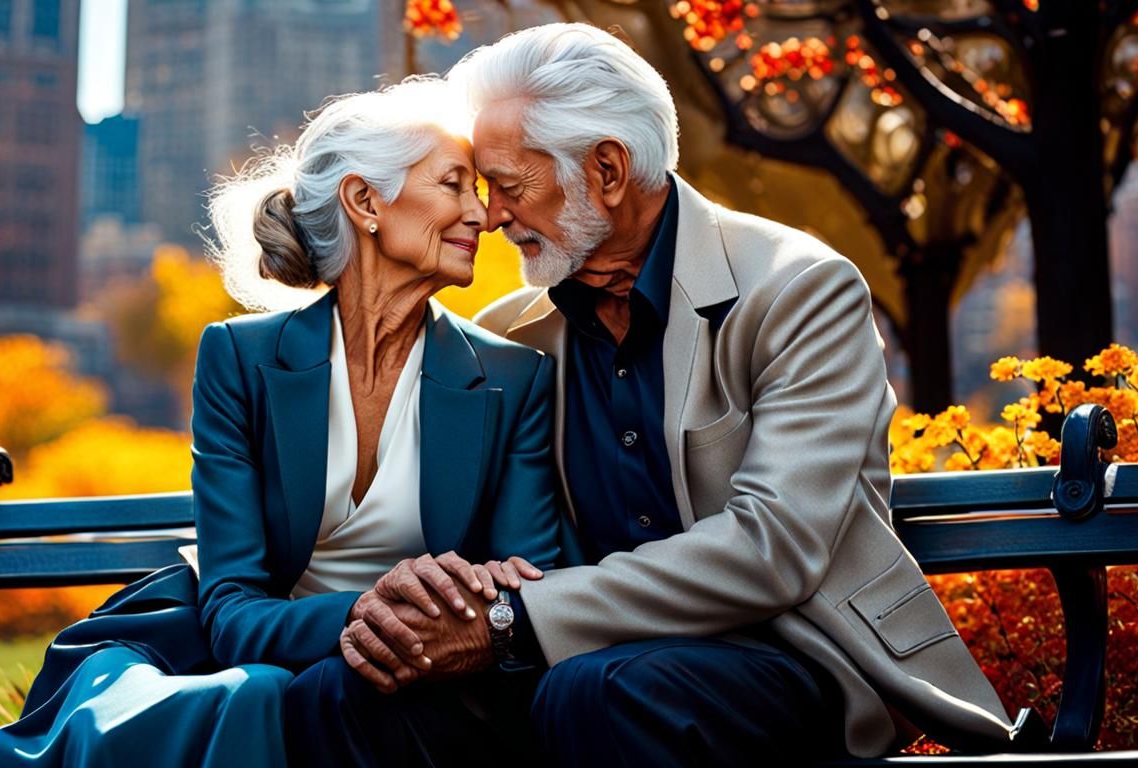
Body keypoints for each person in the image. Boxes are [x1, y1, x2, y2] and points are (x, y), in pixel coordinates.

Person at [284, 23, 1020, 767]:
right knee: (341, 693)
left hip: (794, 654)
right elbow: (469, 535)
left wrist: (513, 619)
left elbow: (774, 549)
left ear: (607, 168)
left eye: (509, 185)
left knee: (599, 693)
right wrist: (423, 590)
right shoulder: (508, 337)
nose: (493, 216)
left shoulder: (798, 291)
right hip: (575, 658)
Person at [0, 77, 569, 768]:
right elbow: (230, 610)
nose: (485, 214)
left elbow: (527, 582)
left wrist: (441, 622)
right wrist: (360, 613)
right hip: (259, 670)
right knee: (272, 696)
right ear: (365, 201)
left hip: (425, 692)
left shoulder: (514, 377)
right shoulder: (240, 359)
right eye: (454, 184)